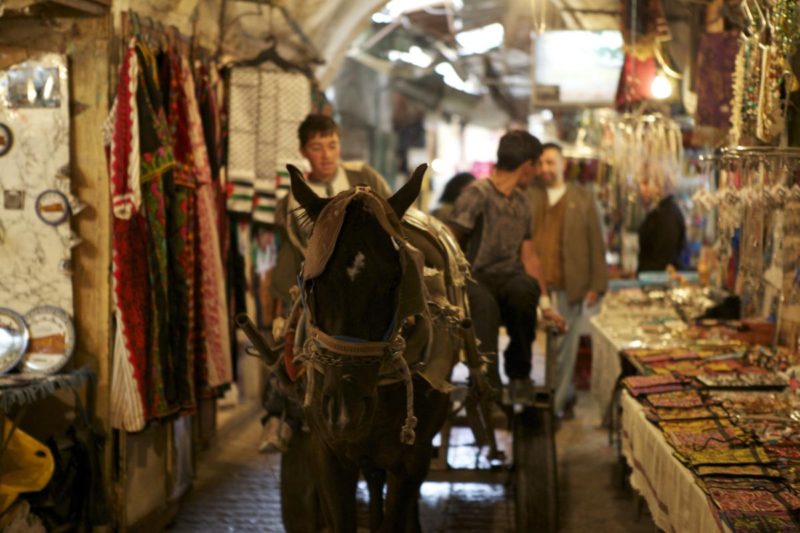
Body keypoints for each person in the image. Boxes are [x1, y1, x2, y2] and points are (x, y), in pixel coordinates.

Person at [261, 114, 392, 452]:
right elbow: (291, 254)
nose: (326, 155)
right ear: (304, 151)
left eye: (332, 145)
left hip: (363, 282)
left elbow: (392, 227)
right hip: (318, 288)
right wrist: (287, 300)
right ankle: (281, 415)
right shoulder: (292, 201)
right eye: (317, 148)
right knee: (288, 340)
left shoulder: (364, 179)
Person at [447, 130, 552, 397]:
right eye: (537, 165)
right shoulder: (477, 194)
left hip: (508, 277)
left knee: (525, 290)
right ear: (527, 166)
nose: (538, 172)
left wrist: (546, 303)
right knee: (484, 306)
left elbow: (529, 255)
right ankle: (487, 384)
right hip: (475, 276)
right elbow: (450, 240)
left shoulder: (522, 202)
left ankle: (519, 375)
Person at [526, 142, 608, 419]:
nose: (545, 168)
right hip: (534, 287)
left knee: (563, 351)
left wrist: (597, 284)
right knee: (540, 350)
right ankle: (552, 399)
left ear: (563, 164)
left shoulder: (582, 199)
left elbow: (596, 243)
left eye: (551, 162)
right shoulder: (530, 196)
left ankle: (554, 407)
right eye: (541, 163)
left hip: (568, 285)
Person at [636, 176, 687, 273]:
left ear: (659, 186)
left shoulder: (666, 214)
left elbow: (663, 259)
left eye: (646, 183)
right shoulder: (661, 211)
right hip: (654, 277)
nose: (641, 188)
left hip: (657, 278)